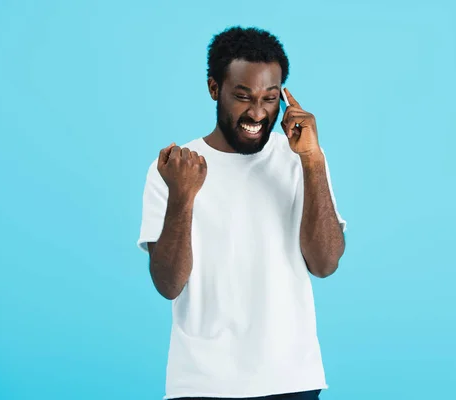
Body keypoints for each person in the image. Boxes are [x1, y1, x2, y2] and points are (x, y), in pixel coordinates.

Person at [137, 26, 347, 400]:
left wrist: (312, 161)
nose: (257, 112)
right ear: (214, 89)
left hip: (291, 380)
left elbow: (325, 263)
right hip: (202, 383)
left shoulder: (302, 159)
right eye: (242, 96)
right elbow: (168, 284)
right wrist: (183, 196)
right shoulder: (173, 169)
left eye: (269, 98)